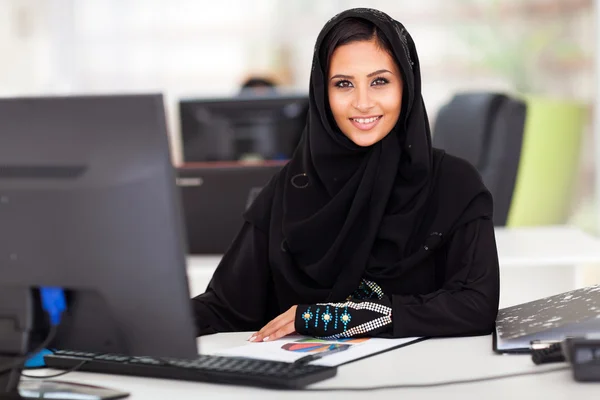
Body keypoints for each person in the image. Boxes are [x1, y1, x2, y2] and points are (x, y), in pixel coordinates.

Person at [191, 8, 500, 342]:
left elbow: (475, 306)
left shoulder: (453, 184)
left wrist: (329, 317)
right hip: (307, 388)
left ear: (407, 87)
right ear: (323, 93)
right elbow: (224, 306)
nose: (363, 103)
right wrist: (137, 322)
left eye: (379, 81)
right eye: (343, 84)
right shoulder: (290, 189)